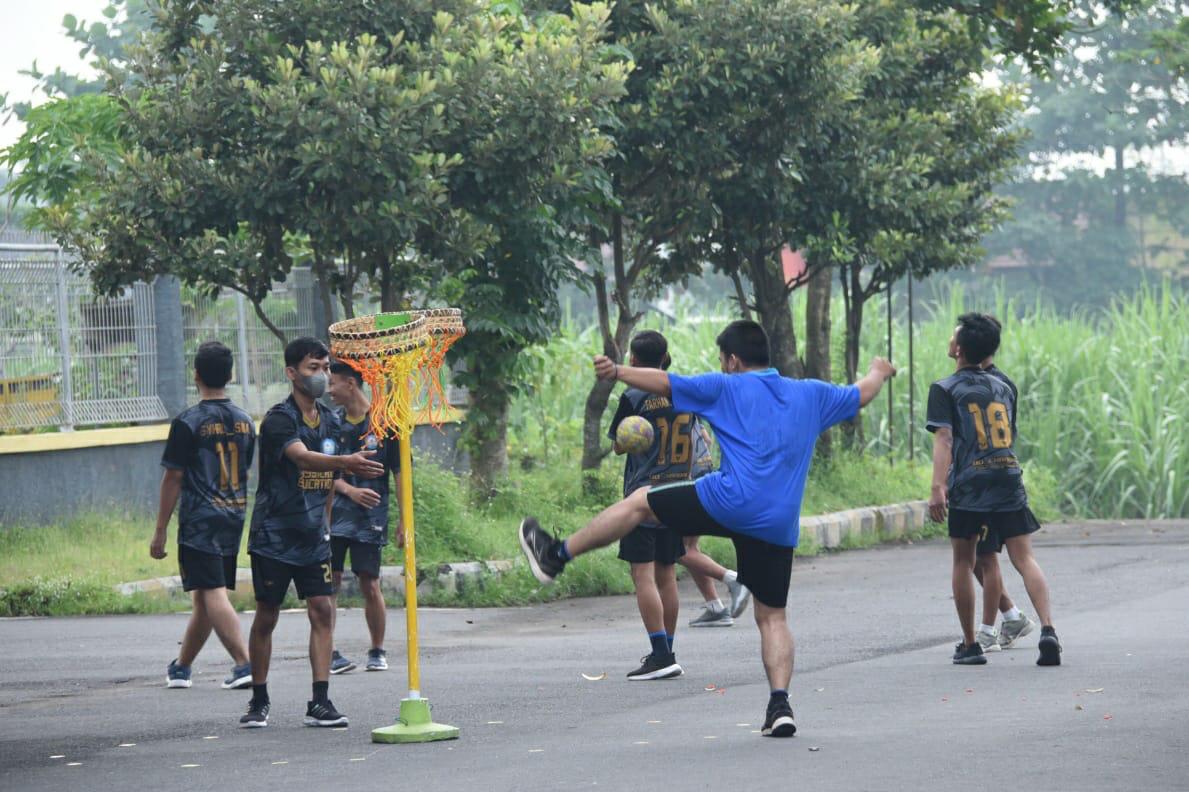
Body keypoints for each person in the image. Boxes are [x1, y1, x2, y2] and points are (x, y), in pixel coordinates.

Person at [518, 320, 894, 737]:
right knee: (773, 618)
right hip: (778, 520)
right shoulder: (810, 393)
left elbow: (663, 381)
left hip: (729, 501)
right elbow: (862, 392)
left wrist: (617, 371)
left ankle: (556, 555)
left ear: (733, 361)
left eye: (722, 359)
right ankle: (780, 704)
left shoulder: (725, 387)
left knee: (641, 502)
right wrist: (879, 369)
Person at [240, 337, 385, 729]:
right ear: (291, 373)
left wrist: (325, 523)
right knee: (267, 614)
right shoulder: (279, 419)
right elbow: (303, 458)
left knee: (322, 609)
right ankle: (259, 698)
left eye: (324, 368)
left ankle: (320, 701)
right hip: (274, 534)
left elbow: (331, 479)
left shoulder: (332, 421)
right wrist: (343, 460)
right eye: (312, 369)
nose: (320, 376)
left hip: (312, 536)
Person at [926, 314, 1061, 667]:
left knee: (964, 560)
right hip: (1007, 476)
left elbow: (944, 438)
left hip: (970, 484)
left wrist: (938, 487)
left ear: (958, 348)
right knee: (1023, 557)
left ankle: (971, 644)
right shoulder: (1004, 386)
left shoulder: (945, 388)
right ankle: (1048, 629)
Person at [607, 331, 714, 680]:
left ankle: (660, 654)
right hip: (679, 493)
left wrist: (635, 435)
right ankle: (668, 649)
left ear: (633, 361)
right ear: (665, 357)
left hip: (643, 497)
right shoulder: (684, 391)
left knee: (643, 574)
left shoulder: (634, 396)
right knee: (667, 573)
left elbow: (619, 446)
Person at [151, 341, 255, 691]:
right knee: (204, 596)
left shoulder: (188, 422)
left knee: (211, 591)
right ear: (230, 375)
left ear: (195, 375)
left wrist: (161, 529)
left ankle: (244, 664)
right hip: (234, 514)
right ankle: (181, 667)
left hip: (200, 519)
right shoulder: (245, 422)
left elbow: (173, 477)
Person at [326, 361, 401, 674]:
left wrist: (406, 521)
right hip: (334, 516)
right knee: (330, 582)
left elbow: (402, 473)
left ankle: (377, 650)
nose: (328, 391)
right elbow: (321, 471)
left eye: (333, 384)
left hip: (372, 518)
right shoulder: (329, 424)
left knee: (369, 582)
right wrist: (349, 490)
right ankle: (327, 650)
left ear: (351, 384)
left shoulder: (385, 425)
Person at [970, 321, 1037, 653]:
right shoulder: (997, 382)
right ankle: (1011, 615)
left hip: (989, 481)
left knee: (985, 556)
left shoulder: (993, 384)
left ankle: (986, 631)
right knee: (973, 557)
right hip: (977, 480)